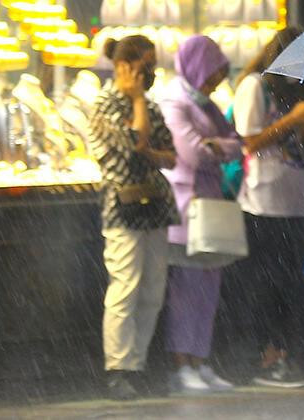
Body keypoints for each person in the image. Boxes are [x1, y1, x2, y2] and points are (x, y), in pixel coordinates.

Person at [229, 27, 304, 388]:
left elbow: (287, 143)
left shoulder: (290, 87)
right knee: (266, 281)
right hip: (262, 200)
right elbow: (251, 141)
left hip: (292, 195)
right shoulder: (254, 85)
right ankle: (264, 356)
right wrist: (294, 117)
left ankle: (282, 352)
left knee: (288, 280)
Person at [88, 35, 179, 400]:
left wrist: (148, 150)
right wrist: (138, 101)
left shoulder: (152, 106)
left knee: (152, 289)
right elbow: (137, 141)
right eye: (145, 66)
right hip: (122, 207)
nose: (151, 73)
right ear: (124, 67)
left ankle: (137, 365)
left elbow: (170, 155)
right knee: (124, 287)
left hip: (154, 204)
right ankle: (118, 369)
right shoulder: (105, 104)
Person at [159, 35, 241, 394]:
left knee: (208, 286)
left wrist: (217, 147)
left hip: (210, 205)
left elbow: (236, 144)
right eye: (212, 75)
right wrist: (218, 148)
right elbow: (191, 153)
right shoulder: (175, 100)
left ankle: (200, 359)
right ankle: (182, 363)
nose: (215, 83)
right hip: (185, 206)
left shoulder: (204, 105)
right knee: (186, 289)